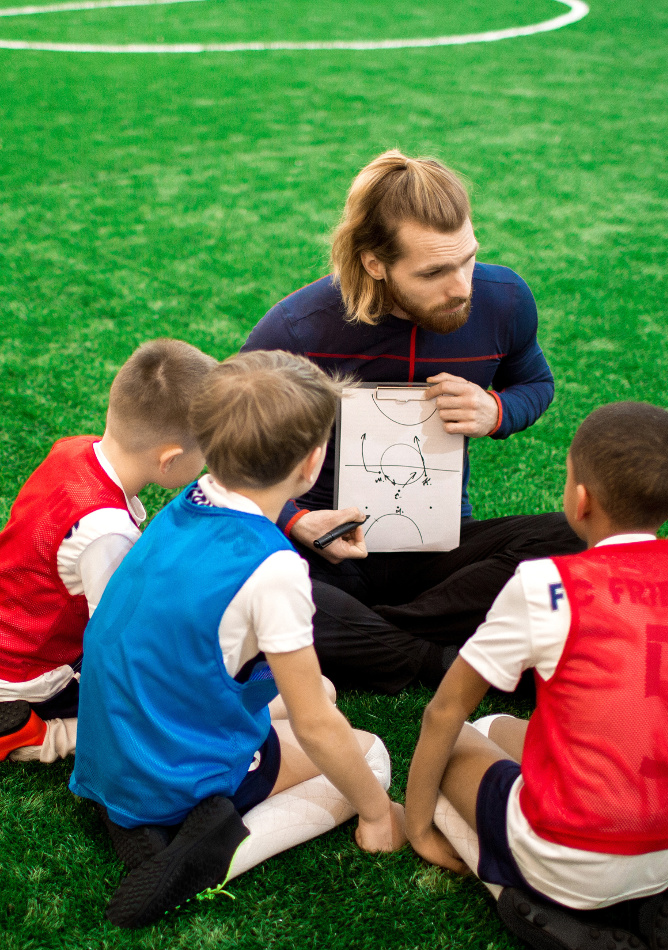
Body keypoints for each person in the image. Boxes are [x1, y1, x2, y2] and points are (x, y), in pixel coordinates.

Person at [70, 350, 407, 929]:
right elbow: (315, 727)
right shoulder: (274, 571)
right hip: (167, 772)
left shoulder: (190, 498)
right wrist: (379, 815)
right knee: (368, 756)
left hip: (111, 754)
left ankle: (150, 817)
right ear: (312, 463)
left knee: (321, 687)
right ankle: (214, 853)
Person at [242, 149, 583, 694]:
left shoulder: (504, 301)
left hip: (438, 552)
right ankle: (438, 659)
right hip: (323, 552)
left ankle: (368, 637)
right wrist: (293, 521)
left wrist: (496, 411)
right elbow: (225, 456)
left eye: (469, 259)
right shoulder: (301, 329)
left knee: (579, 535)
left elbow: (535, 385)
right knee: (240, 580)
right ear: (375, 262)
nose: (462, 285)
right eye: (434, 272)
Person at [405, 402, 668, 950]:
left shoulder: (546, 584)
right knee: (502, 725)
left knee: (453, 745)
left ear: (579, 499)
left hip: (562, 853)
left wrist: (416, 828)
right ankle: (654, 893)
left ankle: (530, 906)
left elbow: (446, 710)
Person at [0, 339, 216, 763]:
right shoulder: (104, 531)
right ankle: (36, 735)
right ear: (169, 460)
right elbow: (114, 641)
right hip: (30, 674)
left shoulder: (74, 449)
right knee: (167, 708)